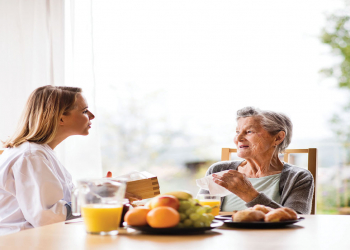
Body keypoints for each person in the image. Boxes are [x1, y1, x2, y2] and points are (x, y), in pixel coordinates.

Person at [0, 86, 95, 235]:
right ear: (61, 118)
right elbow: (48, 216)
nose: (92, 116)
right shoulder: (31, 156)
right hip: (20, 242)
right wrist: (98, 201)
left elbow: (60, 203)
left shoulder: (38, 152)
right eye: (84, 111)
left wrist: (100, 192)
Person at [198, 107, 314, 214]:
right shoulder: (219, 170)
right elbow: (199, 213)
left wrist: (248, 194)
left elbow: (296, 219)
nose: (238, 138)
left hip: (273, 237)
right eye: (237, 132)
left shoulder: (298, 177)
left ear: (278, 138)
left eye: (249, 132)